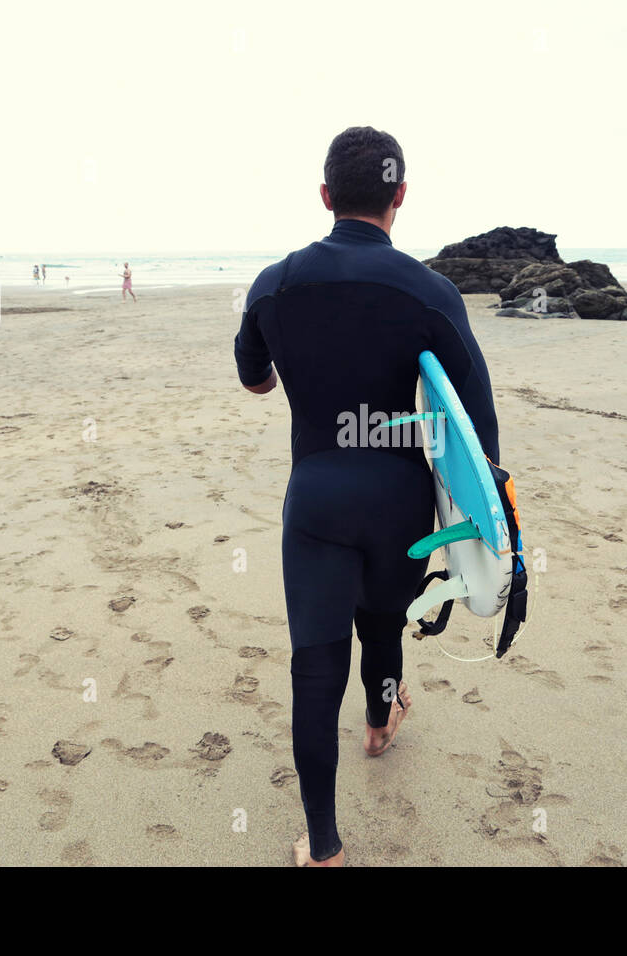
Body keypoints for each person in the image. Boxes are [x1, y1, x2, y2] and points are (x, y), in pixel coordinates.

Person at [234, 127, 500, 867]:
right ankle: (381, 722)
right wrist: (487, 519)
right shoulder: (430, 292)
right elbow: (476, 424)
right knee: (381, 630)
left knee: (315, 666)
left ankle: (323, 849)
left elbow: (255, 380)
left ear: (325, 198)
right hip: (399, 498)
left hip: (316, 498)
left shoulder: (274, 284)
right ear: (399, 197)